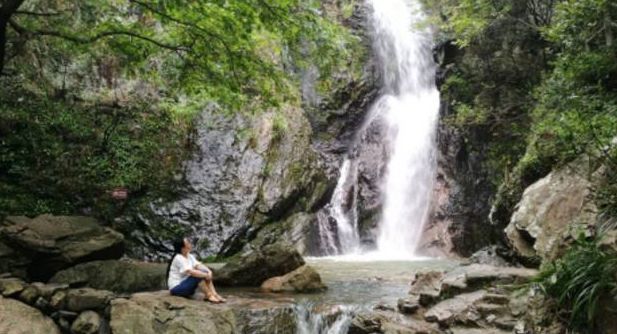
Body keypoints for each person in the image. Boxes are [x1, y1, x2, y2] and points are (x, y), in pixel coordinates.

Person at [166, 237, 226, 303]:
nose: (190, 244)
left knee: (203, 272)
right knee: (198, 275)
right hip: (177, 289)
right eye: (188, 243)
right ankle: (209, 295)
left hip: (186, 286)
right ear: (182, 248)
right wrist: (205, 275)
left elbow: (198, 265)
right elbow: (190, 272)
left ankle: (215, 294)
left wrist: (209, 271)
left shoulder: (189, 256)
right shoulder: (178, 258)